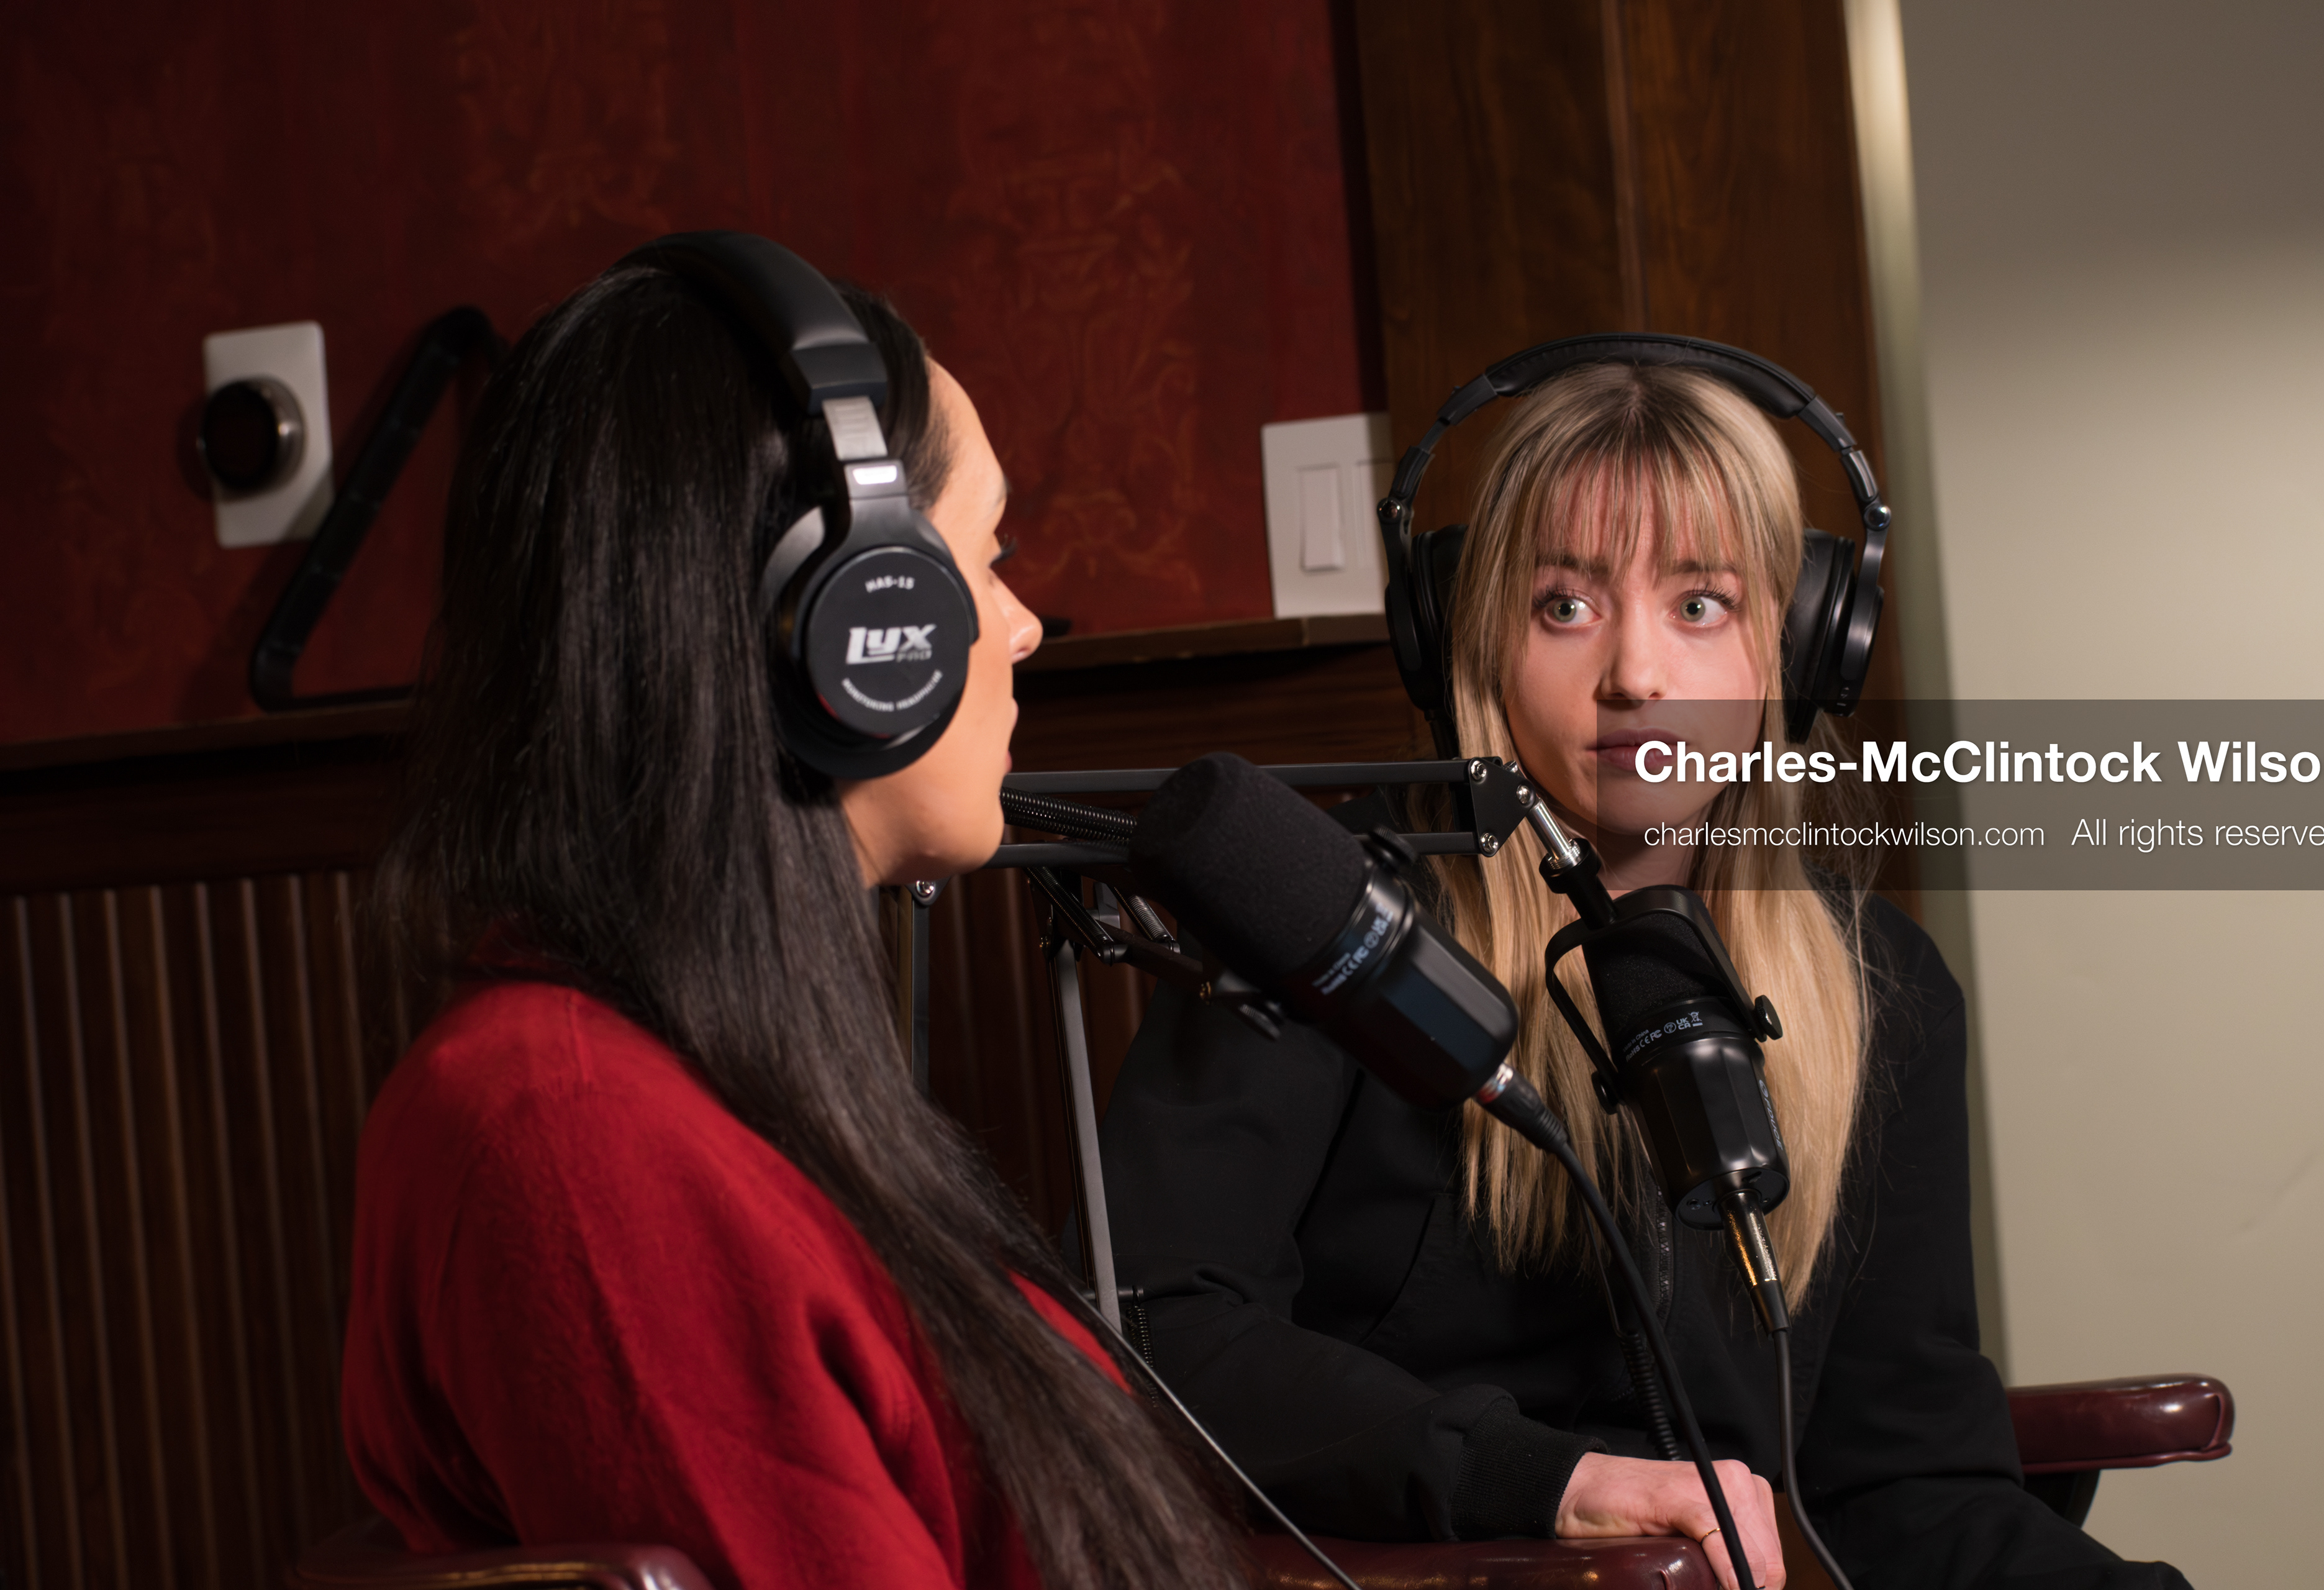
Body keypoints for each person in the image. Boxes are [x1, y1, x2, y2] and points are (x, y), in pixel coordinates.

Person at [1098, 361, 2190, 1588]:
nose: (1636, 674)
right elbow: (1157, 1321)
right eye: (1564, 603)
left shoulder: (1885, 989)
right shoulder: (1324, 915)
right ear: (1476, 632)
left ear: (1802, 640)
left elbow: (1903, 1484)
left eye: (1702, 604)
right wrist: (1547, 1482)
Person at [342, 245, 1247, 1590]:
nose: (1023, 626)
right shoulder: (581, 1139)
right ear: (855, 624)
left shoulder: (700, 1088)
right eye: (987, 561)